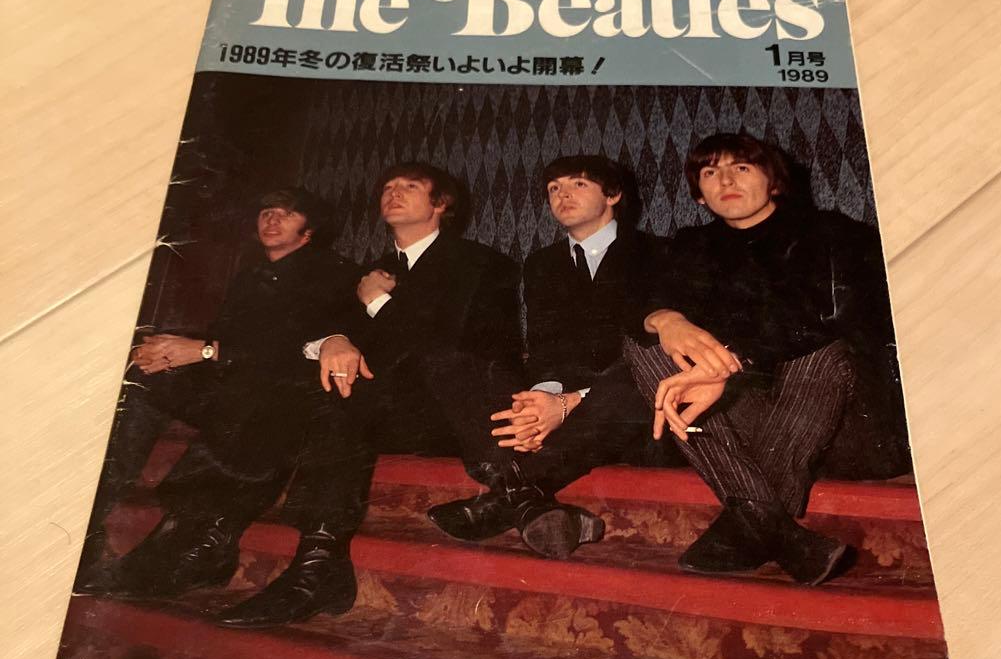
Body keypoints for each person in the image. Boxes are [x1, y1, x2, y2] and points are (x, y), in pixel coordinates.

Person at [216, 163, 523, 628]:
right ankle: (316, 562)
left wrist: (377, 302)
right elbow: (332, 328)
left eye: (410, 187)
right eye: (388, 187)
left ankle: (316, 568)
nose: (393, 193)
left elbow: (446, 347)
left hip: (458, 414)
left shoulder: (482, 263)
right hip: (391, 410)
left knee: (346, 398)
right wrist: (336, 339)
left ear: (441, 204)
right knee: (326, 391)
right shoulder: (369, 272)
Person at [622, 133, 911, 585]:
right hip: (754, 426)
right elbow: (639, 304)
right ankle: (780, 532)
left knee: (823, 354)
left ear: (774, 181)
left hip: (843, 429)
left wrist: (730, 363)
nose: (725, 180)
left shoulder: (835, 233)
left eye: (741, 167)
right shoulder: (693, 244)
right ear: (699, 195)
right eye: (710, 172)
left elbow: (838, 324)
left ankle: (752, 520)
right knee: (647, 343)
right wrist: (667, 318)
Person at [77, 187, 359, 597]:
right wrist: (169, 352)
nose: (272, 219)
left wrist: (206, 350)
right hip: (232, 383)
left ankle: (205, 542)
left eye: (286, 213)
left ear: (309, 230)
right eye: (266, 211)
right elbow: (225, 339)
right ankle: (95, 506)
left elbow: (299, 350)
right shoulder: (250, 273)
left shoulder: (330, 272)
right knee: (145, 375)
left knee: (250, 398)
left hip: (282, 390)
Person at [428, 155, 670, 558]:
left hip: (628, 405)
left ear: (613, 195)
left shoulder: (659, 252)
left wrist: (571, 403)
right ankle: (536, 507)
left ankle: (508, 492)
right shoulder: (542, 263)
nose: (562, 195)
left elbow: (651, 352)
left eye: (578, 184)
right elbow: (546, 346)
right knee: (452, 363)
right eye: (554, 188)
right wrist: (541, 398)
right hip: (560, 401)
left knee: (643, 372)